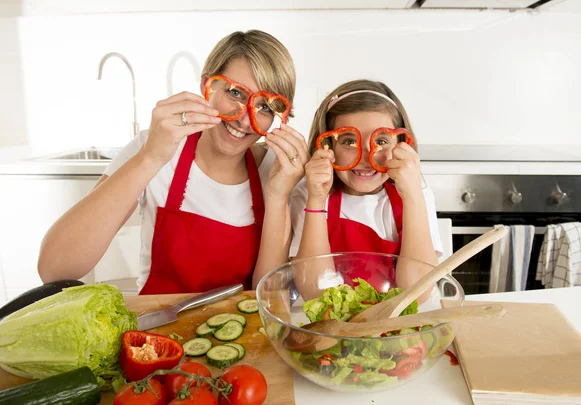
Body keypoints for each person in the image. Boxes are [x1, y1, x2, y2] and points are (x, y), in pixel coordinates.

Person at [38, 30, 309, 294]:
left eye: (264, 107)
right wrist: (151, 157)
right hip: (156, 334)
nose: (243, 119)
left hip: (242, 336)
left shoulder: (276, 171)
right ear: (207, 86)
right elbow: (55, 268)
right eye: (235, 93)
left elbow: (271, 297)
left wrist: (278, 196)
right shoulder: (156, 146)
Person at [290, 79, 443, 301]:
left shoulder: (415, 192)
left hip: (396, 328)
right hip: (332, 328)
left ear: (401, 143)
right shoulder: (308, 194)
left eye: (381, 140)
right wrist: (315, 200)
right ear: (327, 146)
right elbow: (315, 294)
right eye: (349, 142)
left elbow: (417, 294)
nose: (365, 156)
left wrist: (412, 196)